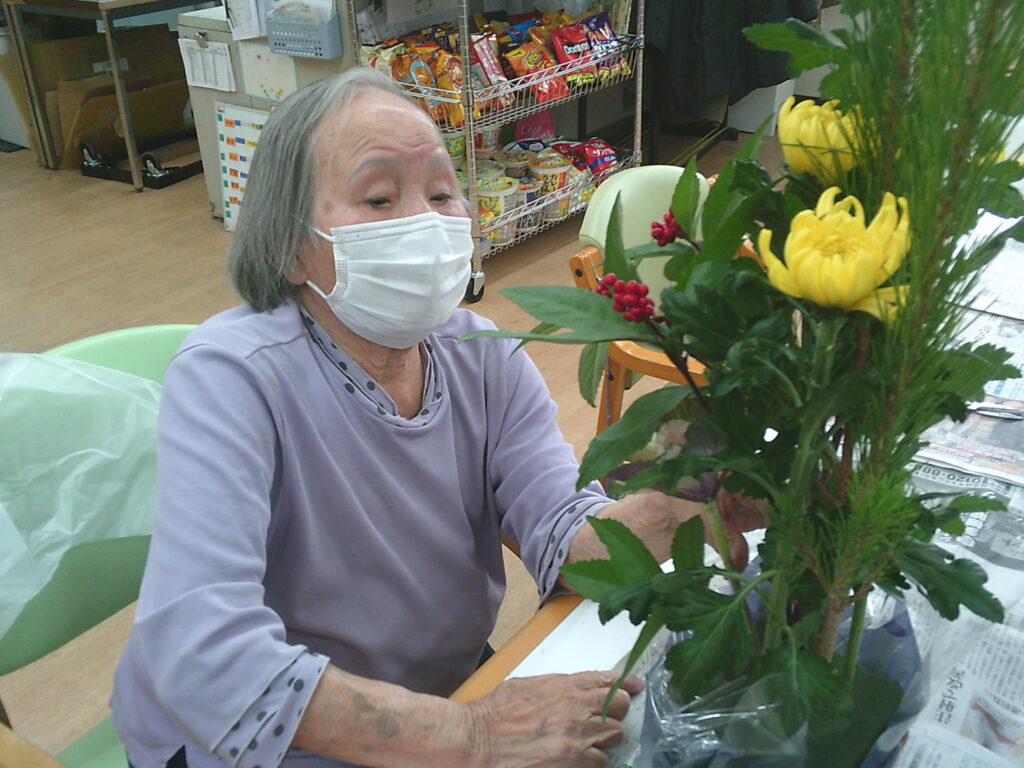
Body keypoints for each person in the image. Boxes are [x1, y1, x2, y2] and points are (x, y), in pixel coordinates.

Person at [110, 67, 714, 768]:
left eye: (442, 192)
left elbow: (559, 525)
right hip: (272, 736)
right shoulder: (232, 377)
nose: (425, 222)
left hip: (435, 695)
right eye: (378, 197)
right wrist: (473, 735)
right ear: (289, 245)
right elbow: (204, 655)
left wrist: (687, 510)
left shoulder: (483, 355)